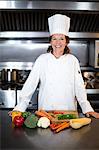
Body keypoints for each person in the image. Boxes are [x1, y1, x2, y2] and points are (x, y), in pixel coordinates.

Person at [9, 14, 99, 118]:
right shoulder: (42, 59)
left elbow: (79, 87)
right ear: (50, 41)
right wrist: (19, 108)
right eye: (54, 38)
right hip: (46, 113)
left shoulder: (73, 60)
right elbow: (30, 84)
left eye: (61, 38)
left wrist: (87, 109)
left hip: (68, 113)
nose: (58, 42)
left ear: (66, 41)